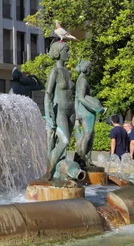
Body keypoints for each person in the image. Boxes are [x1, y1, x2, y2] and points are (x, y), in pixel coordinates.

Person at [42, 41, 74, 181]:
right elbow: (48, 94)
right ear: (58, 53)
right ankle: (49, 170)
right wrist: (49, 114)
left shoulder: (68, 72)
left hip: (71, 111)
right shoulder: (54, 71)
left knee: (64, 146)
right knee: (65, 141)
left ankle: (59, 173)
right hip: (59, 110)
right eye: (66, 51)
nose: (68, 54)